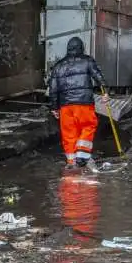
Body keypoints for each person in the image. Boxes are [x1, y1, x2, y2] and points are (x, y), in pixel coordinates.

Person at [48, 37, 109, 169]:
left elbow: (53, 89)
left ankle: (71, 163)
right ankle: (82, 156)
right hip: (84, 103)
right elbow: (98, 76)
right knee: (88, 126)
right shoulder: (87, 60)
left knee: (69, 133)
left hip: (65, 106)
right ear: (82, 48)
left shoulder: (58, 66)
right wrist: (105, 92)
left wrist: (54, 107)